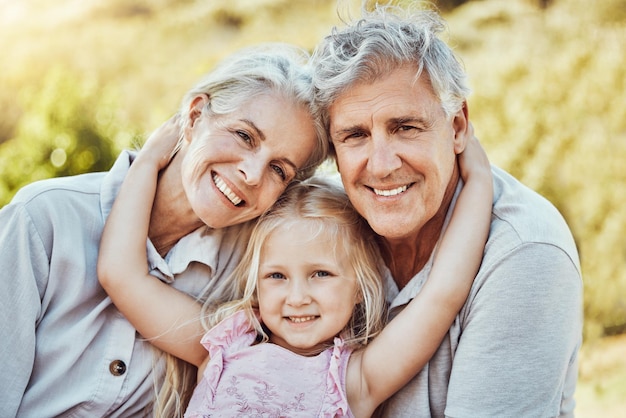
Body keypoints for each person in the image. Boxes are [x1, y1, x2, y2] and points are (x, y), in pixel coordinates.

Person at [0, 43, 329, 417]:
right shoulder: (44, 220)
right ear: (194, 115)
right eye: (244, 136)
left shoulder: (256, 273)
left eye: (278, 170)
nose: (252, 175)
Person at [96, 117, 492, 417]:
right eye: (276, 276)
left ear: (359, 286)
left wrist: (478, 182)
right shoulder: (223, 344)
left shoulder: (356, 378)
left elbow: (442, 294)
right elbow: (122, 275)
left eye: (321, 274)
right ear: (256, 283)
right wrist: (148, 161)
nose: (297, 297)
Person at [311, 4, 583, 417]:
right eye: (354, 136)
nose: (381, 165)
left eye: (405, 127)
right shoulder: (317, 230)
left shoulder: (525, 252)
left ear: (457, 127)